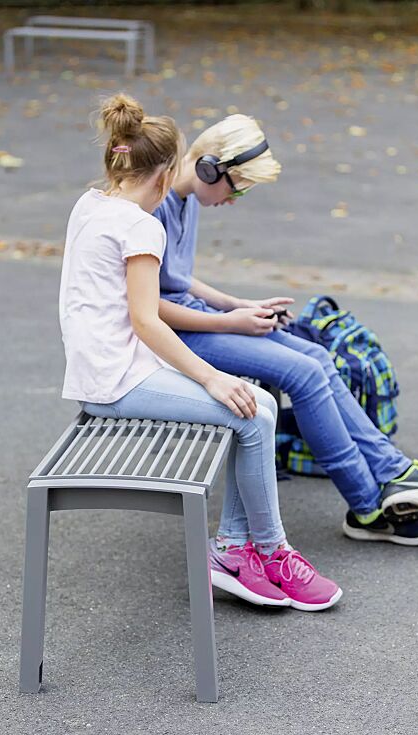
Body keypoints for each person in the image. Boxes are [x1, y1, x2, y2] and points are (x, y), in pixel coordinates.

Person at [58, 93, 342, 612]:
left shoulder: (91, 204)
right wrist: (210, 376)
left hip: (104, 370)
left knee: (254, 403)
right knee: (252, 409)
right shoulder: (141, 226)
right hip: (116, 382)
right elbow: (147, 319)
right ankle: (268, 551)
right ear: (167, 176)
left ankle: (236, 550)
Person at [153, 114, 418, 547]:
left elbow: (175, 276)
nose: (236, 199)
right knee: (302, 373)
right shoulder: (155, 206)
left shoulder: (188, 200)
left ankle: (394, 473)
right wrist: (228, 321)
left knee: (319, 357)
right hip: (177, 338)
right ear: (208, 168)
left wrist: (239, 304)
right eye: (238, 187)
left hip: (202, 322)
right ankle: (368, 507)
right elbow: (149, 306)